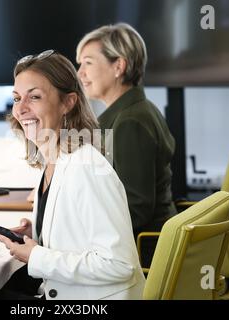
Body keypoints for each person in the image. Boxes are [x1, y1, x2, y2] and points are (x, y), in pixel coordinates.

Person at [0, 50, 145, 300]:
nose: (21, 109)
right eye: (17, 98)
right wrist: (37, 233)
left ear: (68, 102)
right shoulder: (53, 158)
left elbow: (119, 264)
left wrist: (37, 256)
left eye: (35, 97)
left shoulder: (86, 168)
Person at [76, 23, 177, 267]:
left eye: (88, 63)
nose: (80, 73)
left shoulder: (131, 121)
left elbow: (136, 208)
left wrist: (79, 233)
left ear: (118, 66)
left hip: (143, 252)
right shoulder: (133, 110)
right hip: (140, 243)